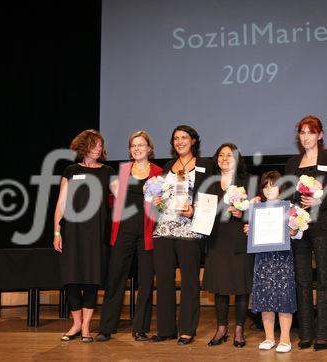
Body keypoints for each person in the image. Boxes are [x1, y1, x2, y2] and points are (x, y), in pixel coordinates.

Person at [95, 131, 162, 342]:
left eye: (141, 145)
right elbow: (112, 202)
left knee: (145, 282)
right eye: (133, 145)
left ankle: (140, 329)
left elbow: (162, 205)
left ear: (149, 148)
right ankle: (106, 328)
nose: (137, 148)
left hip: (147, 232)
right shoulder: (122, 170)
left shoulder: (159, 172)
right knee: (115, 278)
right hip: (123, 230)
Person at [285, 115, 327, 350]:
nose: (306, 137)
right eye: (302, 132)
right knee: (301, 280)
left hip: (324, 226)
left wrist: (317, 201)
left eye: (311, 132)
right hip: (299, 227)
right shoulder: (292, 163)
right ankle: (306, 331)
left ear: (320, 135)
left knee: (324, 278)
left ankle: (324, 332)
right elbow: (287, 192)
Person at [150, 125, 213, 345]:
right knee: (165, 280)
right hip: (164, 229)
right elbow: (163, 195)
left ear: (194, 141)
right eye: (176, 138)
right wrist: (157, 202)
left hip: (190, 229)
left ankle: (187, 330)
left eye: (184, 138)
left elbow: (211, 196)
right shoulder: (167, 166)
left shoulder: (206, 165)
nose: (180, 142)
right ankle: (166, 329)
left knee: (189, 281)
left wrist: (194, 211)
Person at [53, 129, 116, 343]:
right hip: (71, 231)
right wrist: (56, 230)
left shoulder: (107, 171)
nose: (99, 148)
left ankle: (87, 326)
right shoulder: (70, 170)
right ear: (84, 147)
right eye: (95, 144)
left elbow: (124, 194)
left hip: (96, 233)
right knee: (70, 279)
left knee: (92, 278)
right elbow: (61, 202)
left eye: (101, 145)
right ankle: (76, 324)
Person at [203, 143, 254, 348]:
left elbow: (259, 210)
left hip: (239, 238)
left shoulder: (248, 182)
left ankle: (239, 329)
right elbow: (202, 210)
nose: (225, 158)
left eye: (230, 155)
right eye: (221, 155)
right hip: (216, 239)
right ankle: (222, 328)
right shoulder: (209, 183)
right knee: (219, 286)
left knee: (241, 287)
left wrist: (244, 214)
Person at [245, 171, 299, 353]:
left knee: (284, 297)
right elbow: (252, 233)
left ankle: (285, 338)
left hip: (282, 258)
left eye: (273, 185)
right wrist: (249, 230)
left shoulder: (289, 207)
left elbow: (298, 232)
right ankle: (269, 337)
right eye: (265, 186)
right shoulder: (257, 208)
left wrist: (294, 230)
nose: (268, 189)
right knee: (265, 297)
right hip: (263, 258)